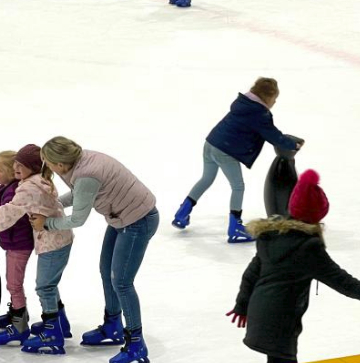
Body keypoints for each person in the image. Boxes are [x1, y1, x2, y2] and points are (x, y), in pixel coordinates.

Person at [36, 136, 158, 363]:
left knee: (121, 282)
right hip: (121, 219)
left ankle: (136, 344)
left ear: (61, 164)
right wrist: (54, 205)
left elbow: (78, 219)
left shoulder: (86, 174)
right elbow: (80, 194)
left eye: (48, 163)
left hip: (138, 221)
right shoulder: (79, 163)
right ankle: (113, 326)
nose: (47, 168)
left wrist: (46, 223)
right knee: (106, 271)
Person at [228, 170, 360, 363]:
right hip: (281, 321)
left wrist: (241, 305)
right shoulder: (308, 248)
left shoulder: (270, 236)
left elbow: (251, 274)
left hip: (260, 313)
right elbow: (342, 281)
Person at [173, 78, 304, 243]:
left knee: (206, 179)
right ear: (268, 97)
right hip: (224, 151)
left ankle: (182, 213)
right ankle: (235, 227)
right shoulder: (259, 113)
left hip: (211, 143)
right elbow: (273, 135)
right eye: (274, 99)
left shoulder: (243, 103)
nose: (275, 102)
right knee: (238, 186)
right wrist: (293, 144)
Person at [0, 144, 74, 354]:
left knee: (44, 287)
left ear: (32, 166)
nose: (16, 168)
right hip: (57, 239)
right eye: (15, 164)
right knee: (50, 283)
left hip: (52, 241)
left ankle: (52, 332)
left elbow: (9, 212)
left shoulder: (29, 187)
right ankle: (60, 323)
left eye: (21, 165)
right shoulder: (38, 180)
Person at [0, 151, 35, 345]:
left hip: (19, 245)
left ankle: (19, 324)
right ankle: (16, 313)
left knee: (13, 283)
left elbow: (6, 219)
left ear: (12, 173)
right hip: (14, 243)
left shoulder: (13, 192)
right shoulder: (8, 189)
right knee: (13, 281)